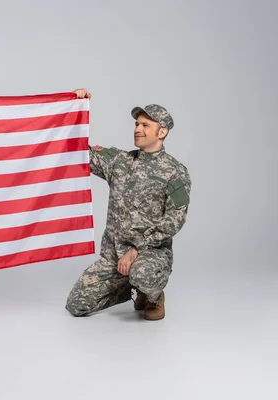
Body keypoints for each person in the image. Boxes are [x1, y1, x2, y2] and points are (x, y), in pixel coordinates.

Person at [65, 88, 192, 320]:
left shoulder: (175, 172)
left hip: (149, 253)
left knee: (143, 274)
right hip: (114, 255)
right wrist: (75, 108)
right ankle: (129, 287)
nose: (138, 129)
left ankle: (152, 295)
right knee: (76, 305)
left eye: (146, 125)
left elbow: (175, 219)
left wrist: (136, 250)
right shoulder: (119, 161)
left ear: (162, 132)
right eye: (137, 124)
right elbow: (78, 153)